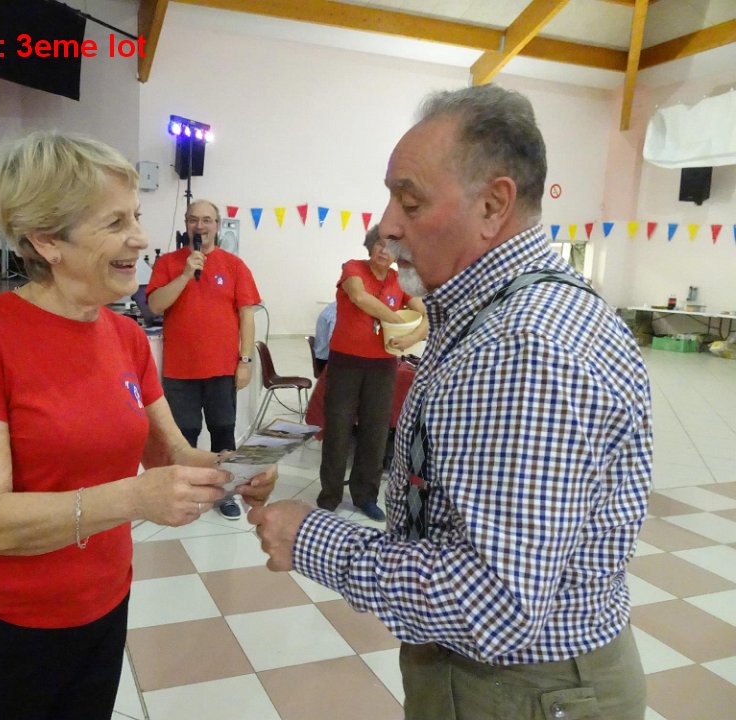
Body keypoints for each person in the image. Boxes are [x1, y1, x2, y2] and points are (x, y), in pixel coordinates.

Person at [250, 85, 651, 720]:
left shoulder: (522, 346)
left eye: (410, 201)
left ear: (493, 204)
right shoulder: (503, 312)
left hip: (523, 688)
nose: (388, 225)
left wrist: (313, 539)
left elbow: (496, 605)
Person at [0, 131, 276, 720]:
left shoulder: (126, 337)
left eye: (136, 216)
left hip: (102, 607)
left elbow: (171, 453)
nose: (140, 237)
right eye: (115, 222)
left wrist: (234, 469)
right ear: (46, 240)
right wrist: (134, 498)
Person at [147, 199, 262, 520]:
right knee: (183, 436)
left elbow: (247, 316)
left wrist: (245, 361)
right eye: (194, 219)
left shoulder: (235, 265)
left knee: (223, 434)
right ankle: (186, 494)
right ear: (186, 224)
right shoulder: (169, 263)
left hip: (222, 370)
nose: (200, 226)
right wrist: (186, 273)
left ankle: (226, 493)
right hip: (180, 372)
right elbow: (155, 305)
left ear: (217, 225)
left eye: (207, 220)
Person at [316, 224, 427, 521]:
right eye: (379, 244)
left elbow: (426, 315)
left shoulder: (400, 280)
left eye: (391, 247)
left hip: (382, 367)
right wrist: (396, 320)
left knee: (375, 432)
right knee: (338, 430)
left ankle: (365, 495)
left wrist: (410, 338)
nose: (383, 251)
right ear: (370, 246)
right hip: (345, 363)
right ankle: (329, 495)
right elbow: (360, 297)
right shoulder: (352, 268)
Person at [312, 300, 337, 373]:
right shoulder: (336, 310)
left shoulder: (336, 306)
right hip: (325, 361)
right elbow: (333, 341)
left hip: (330, 357)